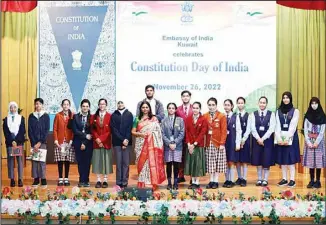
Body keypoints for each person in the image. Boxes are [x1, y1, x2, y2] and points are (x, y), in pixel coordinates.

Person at [132, 101, 166, 190]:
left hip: (152, 144)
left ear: (149, 108)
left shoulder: (154, 119)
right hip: (140, 144)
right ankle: (142, 182)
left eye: (147, 107)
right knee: (142, 164)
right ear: (140, 109)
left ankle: (151, 182)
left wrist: (151, 134)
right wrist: (141, 135)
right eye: (143, 107)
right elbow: (133, 132)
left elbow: (158, 132)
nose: (145, 109)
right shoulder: (137, 119)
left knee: (151, 162)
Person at [275, 92, 300, 188]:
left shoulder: (295, 111)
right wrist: (279, 139)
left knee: (290, 159)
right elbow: (277, 126)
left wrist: (287, 139)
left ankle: (292, 179)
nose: (285, 99)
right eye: (284, 97)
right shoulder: (278, 111)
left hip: (291, 138)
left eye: (287, 98)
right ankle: (284, 179)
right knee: (282, 159)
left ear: (290, 99)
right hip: (281, 138)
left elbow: (293, 126)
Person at [251, 96, 275, 187]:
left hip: (267, 141)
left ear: (266, 104)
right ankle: (259, 178)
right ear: (258, 103)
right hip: (257, 141)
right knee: (258, 160)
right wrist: (258, 139)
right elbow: (252, 128)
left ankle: (265, 179)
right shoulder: (253, 114)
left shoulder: (271, 114)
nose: (262, 104)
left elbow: (271, 128)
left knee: (266, 160)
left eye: (264, 103)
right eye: (260, 102)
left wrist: (263, 139)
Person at [203, 98, 227, 189]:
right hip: (208, 143)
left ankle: (216, 181)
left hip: (218, 143)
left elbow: (224, 131)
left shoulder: (221, 116)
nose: (211, 107)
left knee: (217, 163)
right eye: (209, 105)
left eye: (213, 105)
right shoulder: (205, 116)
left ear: (216, 105)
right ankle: (211, 181)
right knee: (210, 163)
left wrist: (222, 143)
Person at [302, 97, 326, 189]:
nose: (314, 105)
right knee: (311, 161)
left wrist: (317, 142)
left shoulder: (322, 116)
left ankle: (318, 181)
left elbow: (322, 131)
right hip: (309, 141)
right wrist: (308, 141)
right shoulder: (307, 116)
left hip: (319, 142)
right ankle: (311, 180)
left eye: (316, 103)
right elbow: (305, 129)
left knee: (318, 161)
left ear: (318, 104)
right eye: (312, 103)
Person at [184, 102, 208, 189]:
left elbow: (203, 133)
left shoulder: (204, 119)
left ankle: (197, 182)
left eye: (197, 108)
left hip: (198, 145)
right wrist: (189, 144)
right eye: (193, 108)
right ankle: (193, 182)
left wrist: (194, 144)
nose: (195, 109)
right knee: (191, 164)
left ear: (200, 109)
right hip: (190, 145)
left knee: (197, 164)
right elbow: (186, 132)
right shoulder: (188, 119)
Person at [161, 103, 185, 190]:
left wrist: (175, 142)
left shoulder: (180, 120)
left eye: (173, 108)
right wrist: (169, 143)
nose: (171, 110)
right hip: (168, 147)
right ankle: (169, 183)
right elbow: (162, 134)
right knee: (168, 165)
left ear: (175, 110)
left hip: (177, 146)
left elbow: (182, 133)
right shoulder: (164, 120)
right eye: (169, 108)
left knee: (176, 165)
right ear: (167, 109)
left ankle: (175, 183)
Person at [110, 101, 134, 188]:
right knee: (118, 163)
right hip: (117, 143)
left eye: (122, 103)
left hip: (127, 143)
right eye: (118, 103)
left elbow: (130, 128)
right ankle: (118, 182)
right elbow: (114, 129)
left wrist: (126, 140)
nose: (120, 104)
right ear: (117, 105)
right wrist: (122, 140)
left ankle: (124, 181)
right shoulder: (113, 115)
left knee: (126, 163)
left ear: (124, 104)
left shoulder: (129, 114)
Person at [3, 101, 26, 187]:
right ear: (9, 108)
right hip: (10, 143)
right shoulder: (6, 119)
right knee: (10, 161)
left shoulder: (21, 118)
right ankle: (12, 179)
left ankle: (20, 179)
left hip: (19, 142)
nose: (13, 109)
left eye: (14, 107)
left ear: (16, 108)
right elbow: (5, 132)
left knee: (20, 161)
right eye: (11, 107)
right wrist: (12, 141)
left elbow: (22, 130)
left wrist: (16, 141)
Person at [28, 98, 50, 188]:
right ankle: (36, 179)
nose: (38, 106)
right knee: (35, 161)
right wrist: (34, 143)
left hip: (42, 142)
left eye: (40, 104)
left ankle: (43, 179)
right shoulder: (31, 116)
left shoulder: (45, 116)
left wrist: (40, 142)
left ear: (42, 105)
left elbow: (46, 130)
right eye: (36, 104)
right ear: (35, 105)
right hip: (34, 143)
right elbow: (30, 130)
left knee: (42, 161)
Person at [91, 98, 113, 188]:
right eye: (100, 104)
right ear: (98, 105)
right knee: (97, 161)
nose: (102, 106)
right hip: (96, 143)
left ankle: (105, 180)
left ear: (106, 105)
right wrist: (97, 139)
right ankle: (98, 180)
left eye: (103, 104)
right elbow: (92, 129)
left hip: (106, 142)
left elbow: (110, 130)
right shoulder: (93, 116)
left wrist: (102, 139)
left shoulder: (110, 116)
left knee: (106, 161)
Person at [53, 99, 75, 186]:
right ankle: (60, 178)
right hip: (60, 141)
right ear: (62, 105)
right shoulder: (58, 115)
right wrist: (55, 140)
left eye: (67, 104)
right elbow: (55, 129)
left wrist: (71, 140)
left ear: (69, 106)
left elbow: (74, 129)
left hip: (68, 142)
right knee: (60, 160)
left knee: (67, 160)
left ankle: (66, 178)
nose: (66, 106)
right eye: (64, 104)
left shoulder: (72, 115)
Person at [72, 99, 93, 188]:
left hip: (88, 143)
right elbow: (75, 130)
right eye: (83, 106)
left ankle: (86, 180)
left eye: (87, 106)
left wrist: (85, 142)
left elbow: (92, 131)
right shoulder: (75, 117)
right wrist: (85, 136)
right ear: (81, 107)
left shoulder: (92, 117)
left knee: (87, 162)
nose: (85, 108)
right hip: (78, 142)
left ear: (89, 108)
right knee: (80, 162)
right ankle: (81, 180)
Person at [222, 99, 241, 188]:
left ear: (232, 106)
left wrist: (238, 143)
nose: (226, 107)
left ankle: (232, 180)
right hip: (224, 142)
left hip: (232, 141)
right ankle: (227, 180)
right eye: (225, 105)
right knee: (225, 162)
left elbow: (239, 131)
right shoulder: (222, 116)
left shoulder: (236, 116)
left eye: (228, 105)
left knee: (231, 162)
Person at [176, 90, 193, 184]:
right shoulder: (177, 110)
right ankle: (181, 176)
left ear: (190, 97)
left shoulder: (194, 108)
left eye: (187, 96)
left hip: (192, 137)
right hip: (180, 137)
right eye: (184, 96)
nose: (185, 97)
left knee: (191, 157)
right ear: (181, 97)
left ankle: (192, 177)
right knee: (180, 157)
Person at [234, 97, 252, 187]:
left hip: (245, 141)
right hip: (236, 141)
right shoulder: (234, 115)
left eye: (242, 103)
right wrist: (238, 141)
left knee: (244, 161)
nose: (240, 104)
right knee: (237, 161)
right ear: (236, 104)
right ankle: (239, 177)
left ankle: (244, 178)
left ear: (244, 104)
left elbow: (248, 129)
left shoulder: (248, 115)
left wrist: (243, 140)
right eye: (239, 103)